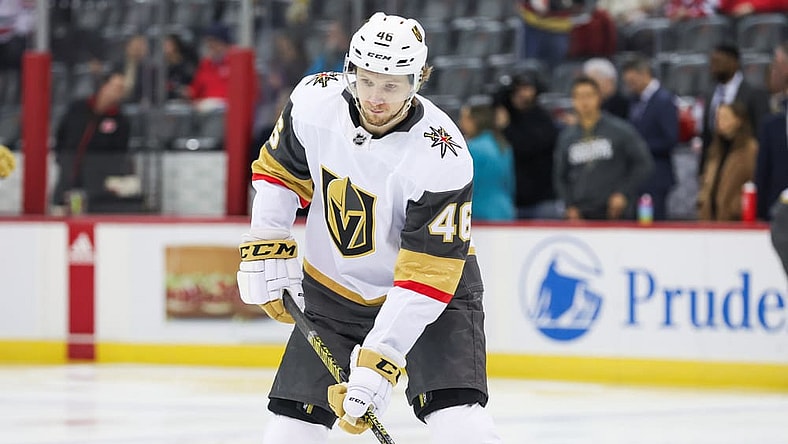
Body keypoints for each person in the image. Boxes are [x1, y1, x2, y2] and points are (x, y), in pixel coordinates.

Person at [237, 12, 501, 444]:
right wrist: (267, 239)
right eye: (366, 80)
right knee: (290, 428)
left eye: (392, 85)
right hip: (332, 288)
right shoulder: (313, 99)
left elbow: (425, 277)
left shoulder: (442, 155)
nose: (376, 97)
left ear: (418, 80)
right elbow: (280, 174)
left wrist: (380, 361)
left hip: (434, 293)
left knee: (458, 419)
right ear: (350, 69)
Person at [554, 76, 654, 221]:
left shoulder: (619, 130)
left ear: (599, 98)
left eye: (589, 96)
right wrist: (569, 205)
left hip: (614, 213)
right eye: (579, 96)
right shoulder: (567, 137)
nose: (584, 102)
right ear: (573, 100)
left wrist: (623, 193)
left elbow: (644, 163)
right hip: (581, 214)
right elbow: (560, 176)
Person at [52, 71, 136, 212]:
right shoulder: (78, 108)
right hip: (67, 178)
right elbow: (61, 134)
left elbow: (119, 153)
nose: (119, 93)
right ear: (104, 86)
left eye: (122, 89)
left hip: (96, 187)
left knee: (88, 217)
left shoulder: (121, 121)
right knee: (61, 215)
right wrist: (61, 159)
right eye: (116, 87)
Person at [495, 73, 561, 219]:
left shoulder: (543, 120)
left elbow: (525, 147)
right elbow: (495, 100)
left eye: (525, 88)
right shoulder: (511, 115)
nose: (520, 94)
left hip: (541, 201)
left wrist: (506, 128)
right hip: (514, 201)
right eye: (516, 89)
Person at [622, 56, 680, 221]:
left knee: (655, 227)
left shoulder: (664, 100)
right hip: (638, 177)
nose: (629, 86)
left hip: (657, 175)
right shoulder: (634, 100)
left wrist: (639, 147)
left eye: (632, 81)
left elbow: (670, 140)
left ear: (645, 74)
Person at [700, 43, 769, 177]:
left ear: (734, 63)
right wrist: (702, 169)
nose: (713, 67)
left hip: (744, 164)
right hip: (715, 163)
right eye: (712, 63)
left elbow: (760, 132)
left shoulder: (753, 93)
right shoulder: (710, 93)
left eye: (718, 62)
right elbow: (707, 135)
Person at [697, 102, 759, 221]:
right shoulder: (715, 150)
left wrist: (737, 207)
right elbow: (706, 180)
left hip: (735, 218)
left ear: (738, 120)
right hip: (710, 217)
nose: (720, 122)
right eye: (718, 117)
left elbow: (754, 181)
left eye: (725, 117)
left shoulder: (750, 150)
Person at [459, 97, 515, 221]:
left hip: (479, 213)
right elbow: (510, 184)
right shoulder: (503, 145)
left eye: (465, 118)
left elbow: (465, 186)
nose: (461, 122)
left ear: (476, 120)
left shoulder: (471, 149)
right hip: (504, 210)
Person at [755, 42, 788, 220]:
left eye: (776, 65)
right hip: (776, 213)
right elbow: (764, 172)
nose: (772, 71)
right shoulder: (772, 119)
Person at [186, 24, 233, 112]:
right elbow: (195, 91)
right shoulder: (206, 64)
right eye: (208, 42)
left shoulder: (235, 63)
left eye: (214, 42)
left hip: (228, 113)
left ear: (224, 43)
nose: (210, 45)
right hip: (206, 115)